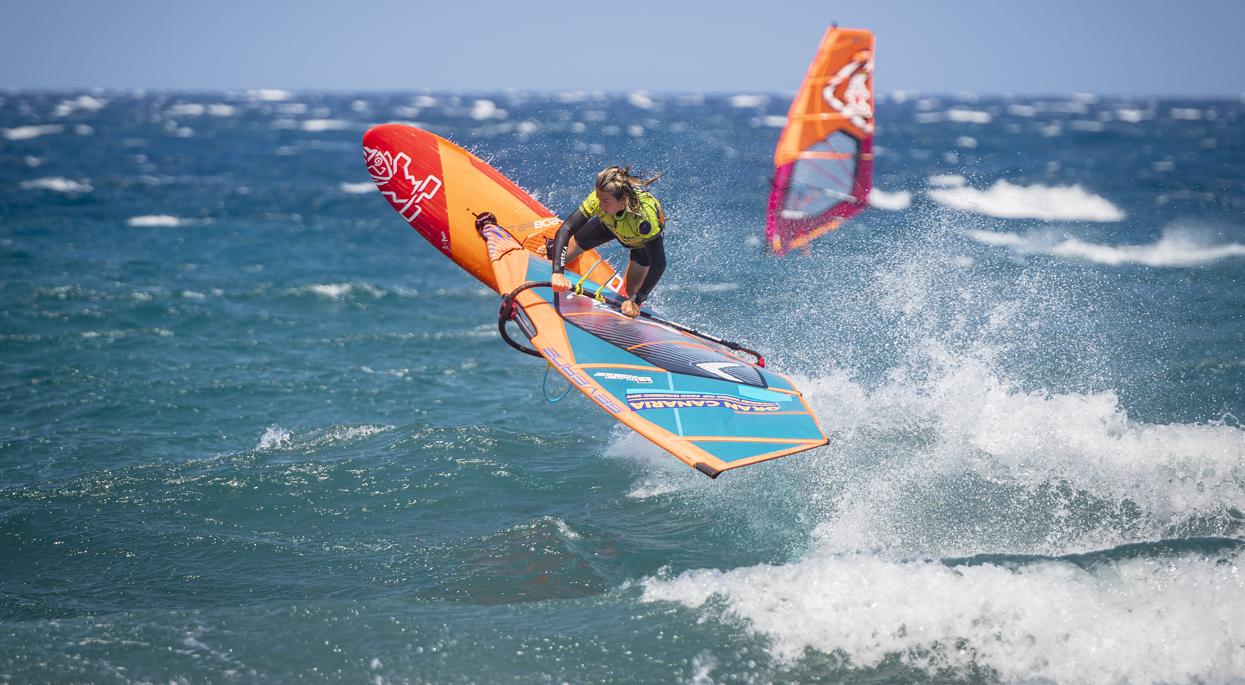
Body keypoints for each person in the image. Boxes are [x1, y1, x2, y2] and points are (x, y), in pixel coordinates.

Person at [549, 166, 666, 318]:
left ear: (623, 200)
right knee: (553, 258)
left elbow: (659, 263)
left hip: (640, 244)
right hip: (609, 225)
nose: (600, 205)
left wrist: (637, 301)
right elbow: (567, 228)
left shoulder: (645, 220)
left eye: (605, 201)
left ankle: (635, 304)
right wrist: (557, 272)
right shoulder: (601, 200)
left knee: (631, 295)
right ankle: (564, 260)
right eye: (599, 199)